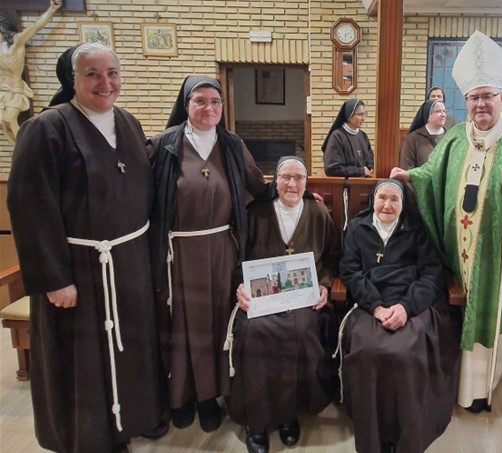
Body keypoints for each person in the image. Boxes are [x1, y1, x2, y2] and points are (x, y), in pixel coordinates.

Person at [390, 31, 502, 413]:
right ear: (464, 101)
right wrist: (409, 177)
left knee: (488, 317)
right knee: (454, 314)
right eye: (474, 97)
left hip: (497, 256)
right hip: (458, 251)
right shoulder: (454, 139)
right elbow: (432, 175)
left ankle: (482, 389)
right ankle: (452, 385)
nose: (480, 103)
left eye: (487, 96)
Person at [7, 43, 165, 453]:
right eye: (92, 74)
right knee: (85, 358)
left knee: (129, 347)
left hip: (127, 262)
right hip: (77, 269)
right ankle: (89, 439)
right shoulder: (47, 128)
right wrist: (55, 280)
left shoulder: (128, 123)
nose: (105, 83)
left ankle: (127, 423)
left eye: (112, 72)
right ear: (72, 79)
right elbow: (30, 208)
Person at [148, 75, 267, 433]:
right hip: (177, 252)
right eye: (200, 101)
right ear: (186, 105)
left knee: (217, 323)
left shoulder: (231, 143)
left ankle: (210, 397)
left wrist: (299, 193)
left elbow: (257, 186)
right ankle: (180, 395)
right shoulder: (163, 145)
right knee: (180, 324)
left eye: (215, 102)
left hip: (219, 250)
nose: (209, 108)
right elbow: (139, 196)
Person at [339, 180, 461, 453]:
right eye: (382, 197)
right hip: (370, 302)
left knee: (406, 352)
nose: (387, 205)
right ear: (373, 199)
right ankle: (375, 433)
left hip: (413, 302)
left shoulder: (417, 228)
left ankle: (405, 432)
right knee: (368, 350)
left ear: (403, 204)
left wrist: (406, 307)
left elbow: (431, 274)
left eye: (395, 199)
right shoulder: (358, 228)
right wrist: (376, 306)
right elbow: (350, 272)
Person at [228, 157, 340, 453]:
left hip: (303, 300)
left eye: (299, 178)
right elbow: (237, 259)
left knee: (301, 332)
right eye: (285, 177)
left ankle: (289, 414)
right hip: (261, 298)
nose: (292, 184)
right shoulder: (256, 213)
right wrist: (240, 285)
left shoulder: (318, 213)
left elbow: (331, 257)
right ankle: (257, 422)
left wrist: (325, 287)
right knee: (254, 333)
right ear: (274, 181)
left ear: (306, 182)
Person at [0, 0, 62, 142]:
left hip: (15, 88)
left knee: (9, 120)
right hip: (2, 90)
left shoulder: (16, 42)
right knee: (2, 123)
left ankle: (24, 148)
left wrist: (52, 10)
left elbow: (36, 27)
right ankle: (17, 151)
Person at [322, 99, 374, 177]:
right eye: (360, 114)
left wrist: (371, 167)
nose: (363, 118)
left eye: (364, 114)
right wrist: (361, 171)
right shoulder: (337, 136)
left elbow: (370, 159)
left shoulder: (363, 136)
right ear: (349, 116)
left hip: (363, 184)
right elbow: (331, 169)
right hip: (345, 186)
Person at [398, 99, 448, 170]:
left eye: (444, 111)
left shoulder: (450, 136)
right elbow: (407, 168)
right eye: (438, 111)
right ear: (427, 115)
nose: (443, 115)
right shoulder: (413, 138)